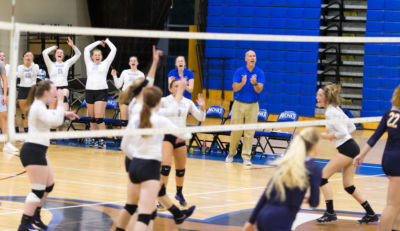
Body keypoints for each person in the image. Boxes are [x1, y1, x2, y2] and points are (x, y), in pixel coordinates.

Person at [115, 46, 195, 231]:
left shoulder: (136, 112)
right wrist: (181, 91)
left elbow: (124, 146)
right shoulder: (156, 118)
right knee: (147, 211)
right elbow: (178, 123)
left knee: (132, 205)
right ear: (157, 102)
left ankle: (177, 213)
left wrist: (155, 62)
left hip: (134, 162)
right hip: (147, 164)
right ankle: (177, 213)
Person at [17, 81, 79, 231]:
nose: (55, 94)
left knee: (48, 185)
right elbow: (55, 122)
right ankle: (23, 226)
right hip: (32, 151)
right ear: (45, 92)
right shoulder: (37, 106)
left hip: (38, 151)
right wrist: (61, 102)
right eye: (54, 91)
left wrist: (64, 112)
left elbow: (51, 115)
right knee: (38, 190)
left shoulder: (40, 106)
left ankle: (35, 217)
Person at [315, 83, 378, 223]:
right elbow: (352, 127)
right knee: (348, 185)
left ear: (327, 97)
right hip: (352, 147)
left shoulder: (330, 112)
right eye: (317, 95)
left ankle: (330, 213)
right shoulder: (335, 109)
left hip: (347, 149)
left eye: (320, 95)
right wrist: (334, 134)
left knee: (322, 177)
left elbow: (343, 132)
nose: (317, 97)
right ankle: (371, 214)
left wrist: (328, 136)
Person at [242, 128, 321, 231]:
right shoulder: (314, 167)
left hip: (262, 217)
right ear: (314, 145)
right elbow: (314, 202)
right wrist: (307, 197)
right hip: (280, 221)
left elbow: (266, 194)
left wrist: (251, 221)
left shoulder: (286, 163)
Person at [354, 84, 400, 231]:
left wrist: (362, 154)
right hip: (397, 162)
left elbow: (374, 137)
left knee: (397, 203)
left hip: (388, 159)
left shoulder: (389, 113)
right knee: (392, 204)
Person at [160, 78, 206, 207]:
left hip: (180, 138)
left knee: (180, 169)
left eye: (180, 86)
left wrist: (202, 107)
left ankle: (179, 193)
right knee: (165, 167)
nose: (179, 88)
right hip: (167, 137)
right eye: (175, 86)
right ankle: (162, 197)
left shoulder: (188, 102)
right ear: (170, 89)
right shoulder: (164, 101)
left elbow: (201, 118)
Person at [225, 50, 264, 166]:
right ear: (245, 59)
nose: (252, 58)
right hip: (238, 104)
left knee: (249, 132)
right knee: (236, 131)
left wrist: (255, 83)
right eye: (250, 56)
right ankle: (231, 153)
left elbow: (259, 89)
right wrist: (242, 83)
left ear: (255, 59)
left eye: (254, 56)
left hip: (253, 105)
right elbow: (235, 88)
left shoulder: (259, 73)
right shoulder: (239, 72)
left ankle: (246, 157)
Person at [84, 38, 116, 148]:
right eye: (95, 54)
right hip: (89, 91)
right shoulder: (88, 63)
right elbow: (86, 49)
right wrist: (98, 42)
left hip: (101, 92)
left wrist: (107, 41)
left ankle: (102, 140)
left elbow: (114, 49)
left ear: (102, 57)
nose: (97, 56)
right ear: (92, 57)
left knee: (99, 118)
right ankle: (94, 138)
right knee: (92, 118)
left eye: (99, 54)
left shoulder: (106, 63)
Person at [42, 37, 81, 113]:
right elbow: (44, 53)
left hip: (64, 87)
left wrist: (73, 46)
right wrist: (53, 47)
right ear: (55, 55)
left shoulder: (67, 63)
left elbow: (78, 54)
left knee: (64, 97)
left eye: (61, 53)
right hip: (53, 87)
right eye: (57, 52)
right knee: (52, 109)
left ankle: (66, 118)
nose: (59, 53)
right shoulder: (50, 64)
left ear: (63, 56)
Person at [111, 56, 144, 128]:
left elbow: (143, 88)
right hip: (125, 96)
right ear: (129, 63)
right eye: (131, 61)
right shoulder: (125, 72)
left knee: (134, 122)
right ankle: (124, 138)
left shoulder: (141, 74)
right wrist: (114, 76)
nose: (133, 62)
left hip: (135, 98)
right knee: (124, 122)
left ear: (137, 63)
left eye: (135, 61)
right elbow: (118, 86)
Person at [17, 51, 40, 133]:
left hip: (32, 89)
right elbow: (20, 76)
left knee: (32, 113)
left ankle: (33, 131)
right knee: (24, 114)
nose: (28, 57)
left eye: (30, 55)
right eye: (26, 55)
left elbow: (35, 72)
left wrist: (31, 63)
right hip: (23, 89)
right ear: (23, 57)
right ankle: (26, 132)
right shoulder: (20, 67)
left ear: (33, 58)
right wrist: (25, 64)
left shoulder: (35, 66)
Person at [0, 57, 19, 153]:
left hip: (0, 94)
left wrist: (4, 95)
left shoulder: (0, 64)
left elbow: (5, 80)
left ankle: (6, 144)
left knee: (4, 117)